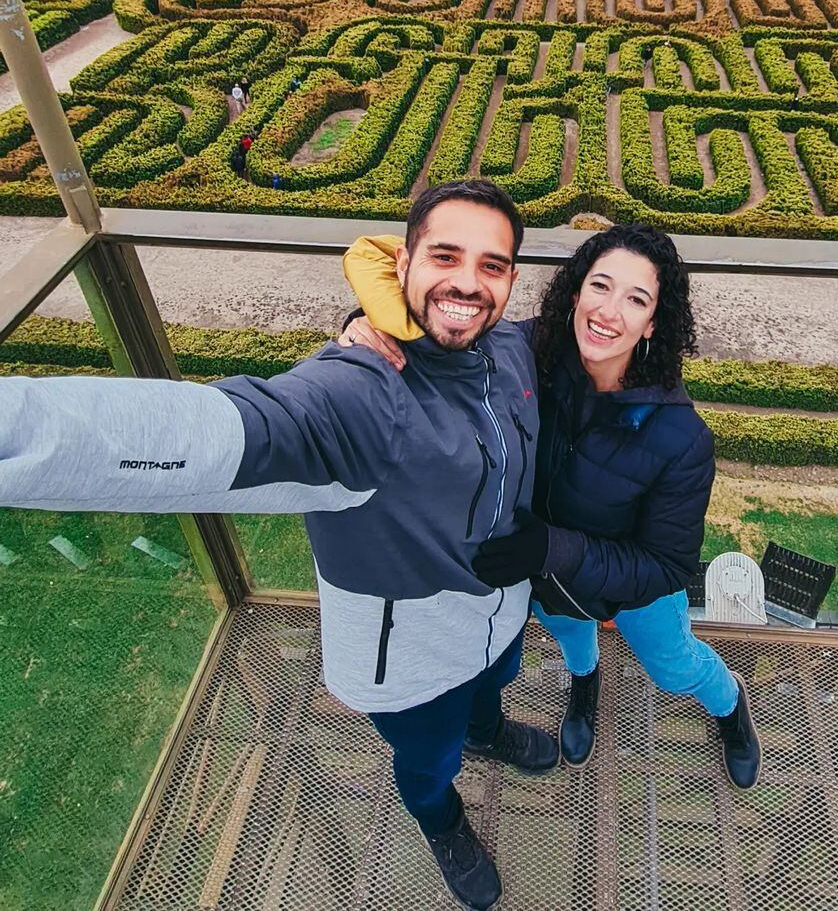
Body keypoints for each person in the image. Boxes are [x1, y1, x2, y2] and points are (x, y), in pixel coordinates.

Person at [0, 181, 557, 911]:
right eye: (446, 256)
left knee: (496, 680)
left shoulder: (512, 351)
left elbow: (595, 333)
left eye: (492, 266)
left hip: (499, 612)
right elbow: (218, 430)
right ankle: (441, 820)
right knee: (426, 760)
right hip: (412, 652)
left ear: (511, 281)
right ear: (405, 262)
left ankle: (488, 729)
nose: (467, 282)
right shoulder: (364, 394)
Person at [341, 222, 761, 791]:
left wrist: (551, 548)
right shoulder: (528, 351)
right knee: (570, 639)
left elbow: (666, 566)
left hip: (625, 592)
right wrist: (366, 330)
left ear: (653, 324)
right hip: (539, 578)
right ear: (576, 290)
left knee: (672, 666)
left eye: (636, 300)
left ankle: (730, 705)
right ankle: (585, 685)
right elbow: (444, 335)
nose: (609, 312)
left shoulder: (681, 438)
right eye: (600, 286)